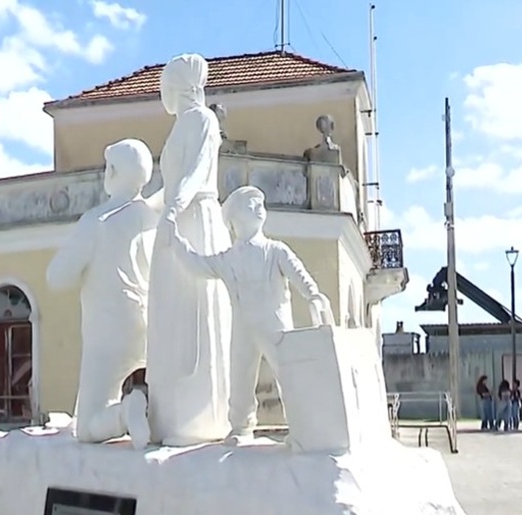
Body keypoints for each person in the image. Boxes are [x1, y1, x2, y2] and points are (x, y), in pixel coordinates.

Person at [160, 186, 332, 445]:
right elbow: (197, 264)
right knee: (240, 377)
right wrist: (175, 241)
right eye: (250, 204)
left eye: (260, 202)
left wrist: (313, 294)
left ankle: (304, 429)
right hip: (243, 327)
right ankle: (240, 427)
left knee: (288, 373)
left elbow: (298, 273)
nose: (259, 207)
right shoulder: (228, 258)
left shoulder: (276, 250)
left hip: (276, 325)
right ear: (235, 218)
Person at [145, 53, 234, 446]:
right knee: (172, 318)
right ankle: (171, 416)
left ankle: (199, 418)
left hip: (195, 220)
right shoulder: (181, 125)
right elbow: (171, 183)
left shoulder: (202, 119)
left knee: (196, 316)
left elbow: (197, 172)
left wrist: (173, 210)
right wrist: (143, 207)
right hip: (177, 217)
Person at [46, 139, 157, 450]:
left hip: (108, 331)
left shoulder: (97, 221)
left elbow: (57, 277)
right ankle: (138, 406)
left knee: (87, 428)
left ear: (114, 172)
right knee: (150, 391)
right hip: (147, 326)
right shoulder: (154, 220)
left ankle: (125, 413)